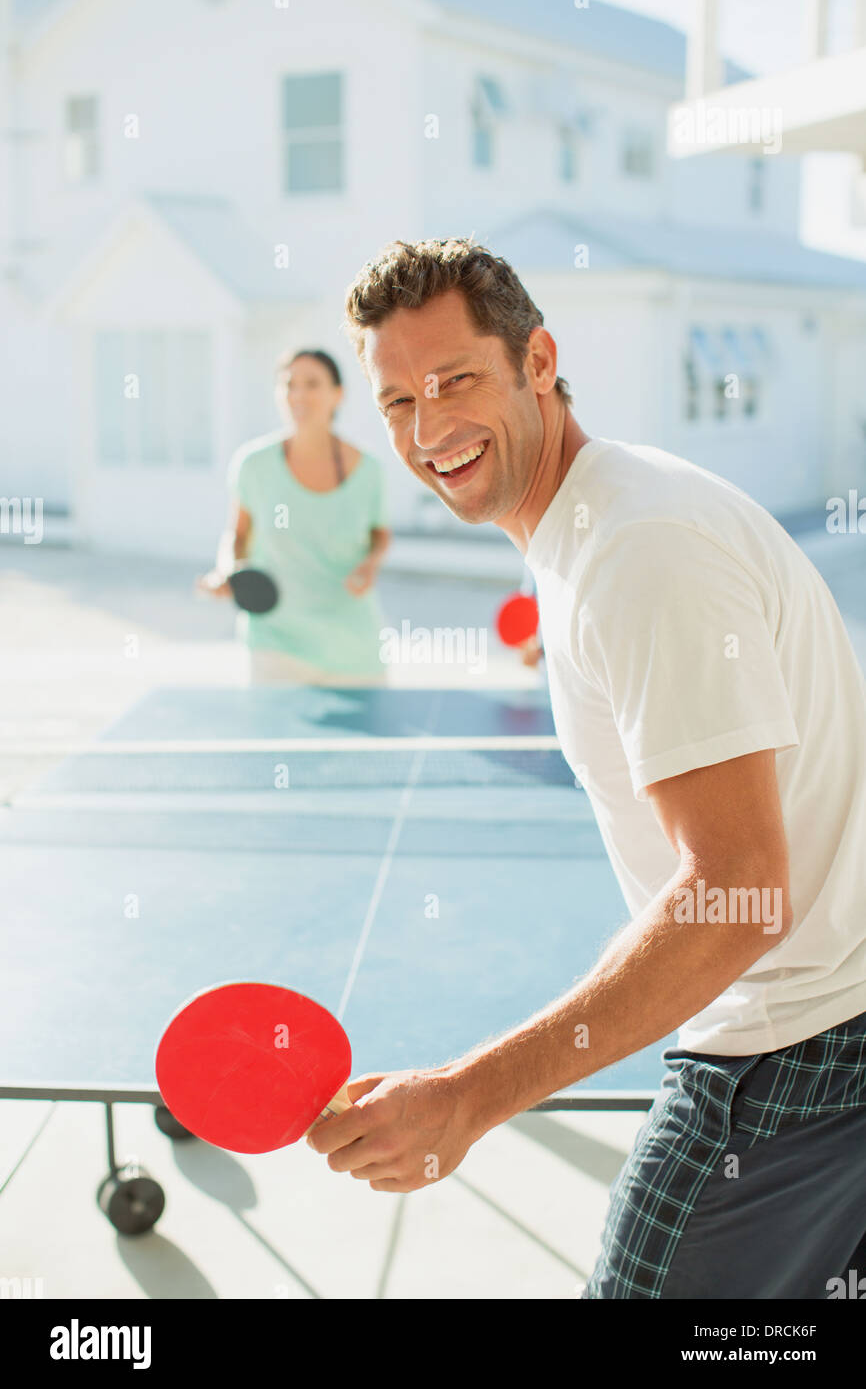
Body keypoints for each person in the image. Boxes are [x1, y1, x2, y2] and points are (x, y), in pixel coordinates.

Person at [306, 237, 866, 1301]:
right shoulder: (605, 524)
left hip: (785, 1056)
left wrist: (467, 1096)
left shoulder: (637, 552)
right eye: (393, 403)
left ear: (539, 360)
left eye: (453, 379)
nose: (427, 431)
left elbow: (738, 893)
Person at [199, 348, 391, 685]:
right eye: (288, 385)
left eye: (312, 384)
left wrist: (371, 563)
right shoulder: (252, 465)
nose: (298, 394)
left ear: (338, 394)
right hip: (276, 645)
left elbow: (380, 533)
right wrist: (227, 569)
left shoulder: (370, 470)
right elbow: (237, 535)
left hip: (354, 649)